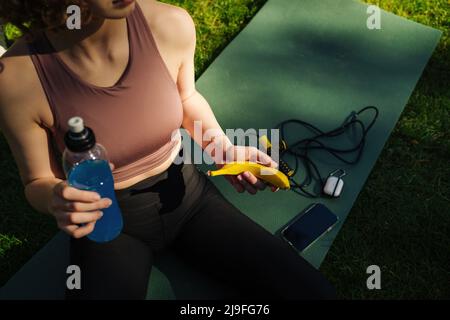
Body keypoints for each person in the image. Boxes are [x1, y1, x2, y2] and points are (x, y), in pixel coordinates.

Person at [0, 0, 336, 299]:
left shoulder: (169, 24)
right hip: (107, 220)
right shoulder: (15, 79)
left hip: (187, 196)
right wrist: (57, 198)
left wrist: (222, 149)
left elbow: (186, 99)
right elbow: (37, 181)